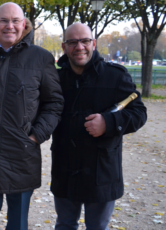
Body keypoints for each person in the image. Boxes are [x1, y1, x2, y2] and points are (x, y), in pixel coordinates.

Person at [0, 2, 64, 230]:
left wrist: (35, 136)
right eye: (3, 20)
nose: (9, 26)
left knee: (18, 225)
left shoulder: (41, 58)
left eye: (15, 21)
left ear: (24, 25)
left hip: (22, 158)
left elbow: (54, 103)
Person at [51, 23, 147, 230]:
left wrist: (109, 123)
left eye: (85, 41)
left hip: (101, 171)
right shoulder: (55, 79)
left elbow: (139, 112)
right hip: (64, 168)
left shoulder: (115, 76)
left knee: (97, 227)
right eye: (72, 42)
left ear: (93, 44)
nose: (79, 46)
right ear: (64, 46)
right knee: (65, 224)